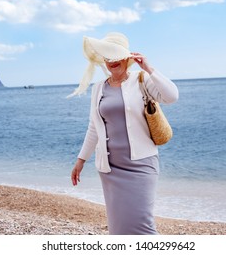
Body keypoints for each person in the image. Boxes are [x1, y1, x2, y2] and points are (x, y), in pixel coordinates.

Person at [69, 32, 179, 235]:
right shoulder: (98, 89)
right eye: (107, 56)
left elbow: (171, 96)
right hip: (110, 169)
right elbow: (94, 127)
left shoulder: (141, 80)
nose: (111, 61)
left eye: (116, 55)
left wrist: (148, 67)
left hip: (141, 165)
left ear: (127, 58)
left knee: (143, 226)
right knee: (119, 229)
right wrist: (80, 160)